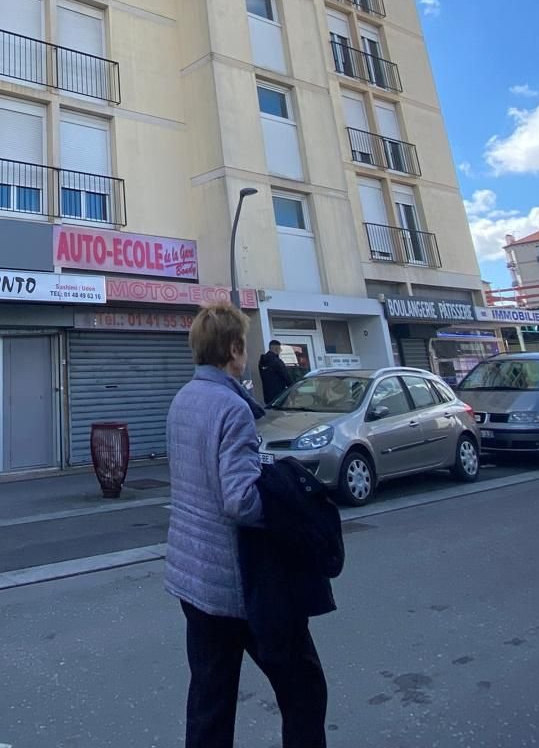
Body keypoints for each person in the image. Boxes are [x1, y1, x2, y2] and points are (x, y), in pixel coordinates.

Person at [166, 303, 328, 748]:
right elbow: (238, 500)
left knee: (209, 701)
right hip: (239, 583)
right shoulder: (231, 408)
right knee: (303, 688)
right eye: (244, 344)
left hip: (192, 577)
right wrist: (287, 508)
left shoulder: (183, 400)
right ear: (234, 349)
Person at [258, 339, 293, 407]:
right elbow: (286, 376)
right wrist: (292, 387)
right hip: (279, 395)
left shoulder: (262, 362)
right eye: (280, 348)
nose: (280, 350)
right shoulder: (276, 361)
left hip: (267, 395)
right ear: (276, 348)